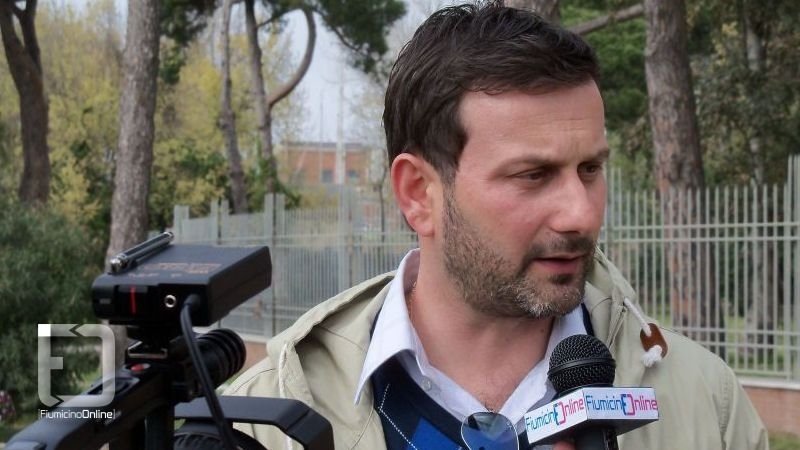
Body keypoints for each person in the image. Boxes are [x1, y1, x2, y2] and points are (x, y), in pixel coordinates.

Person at [226, 2, 769, 449]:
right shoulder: (263, 420)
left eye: (590, 169)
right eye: (533, 175)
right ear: (418, 193)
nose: (580, 214)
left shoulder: (705, 402)